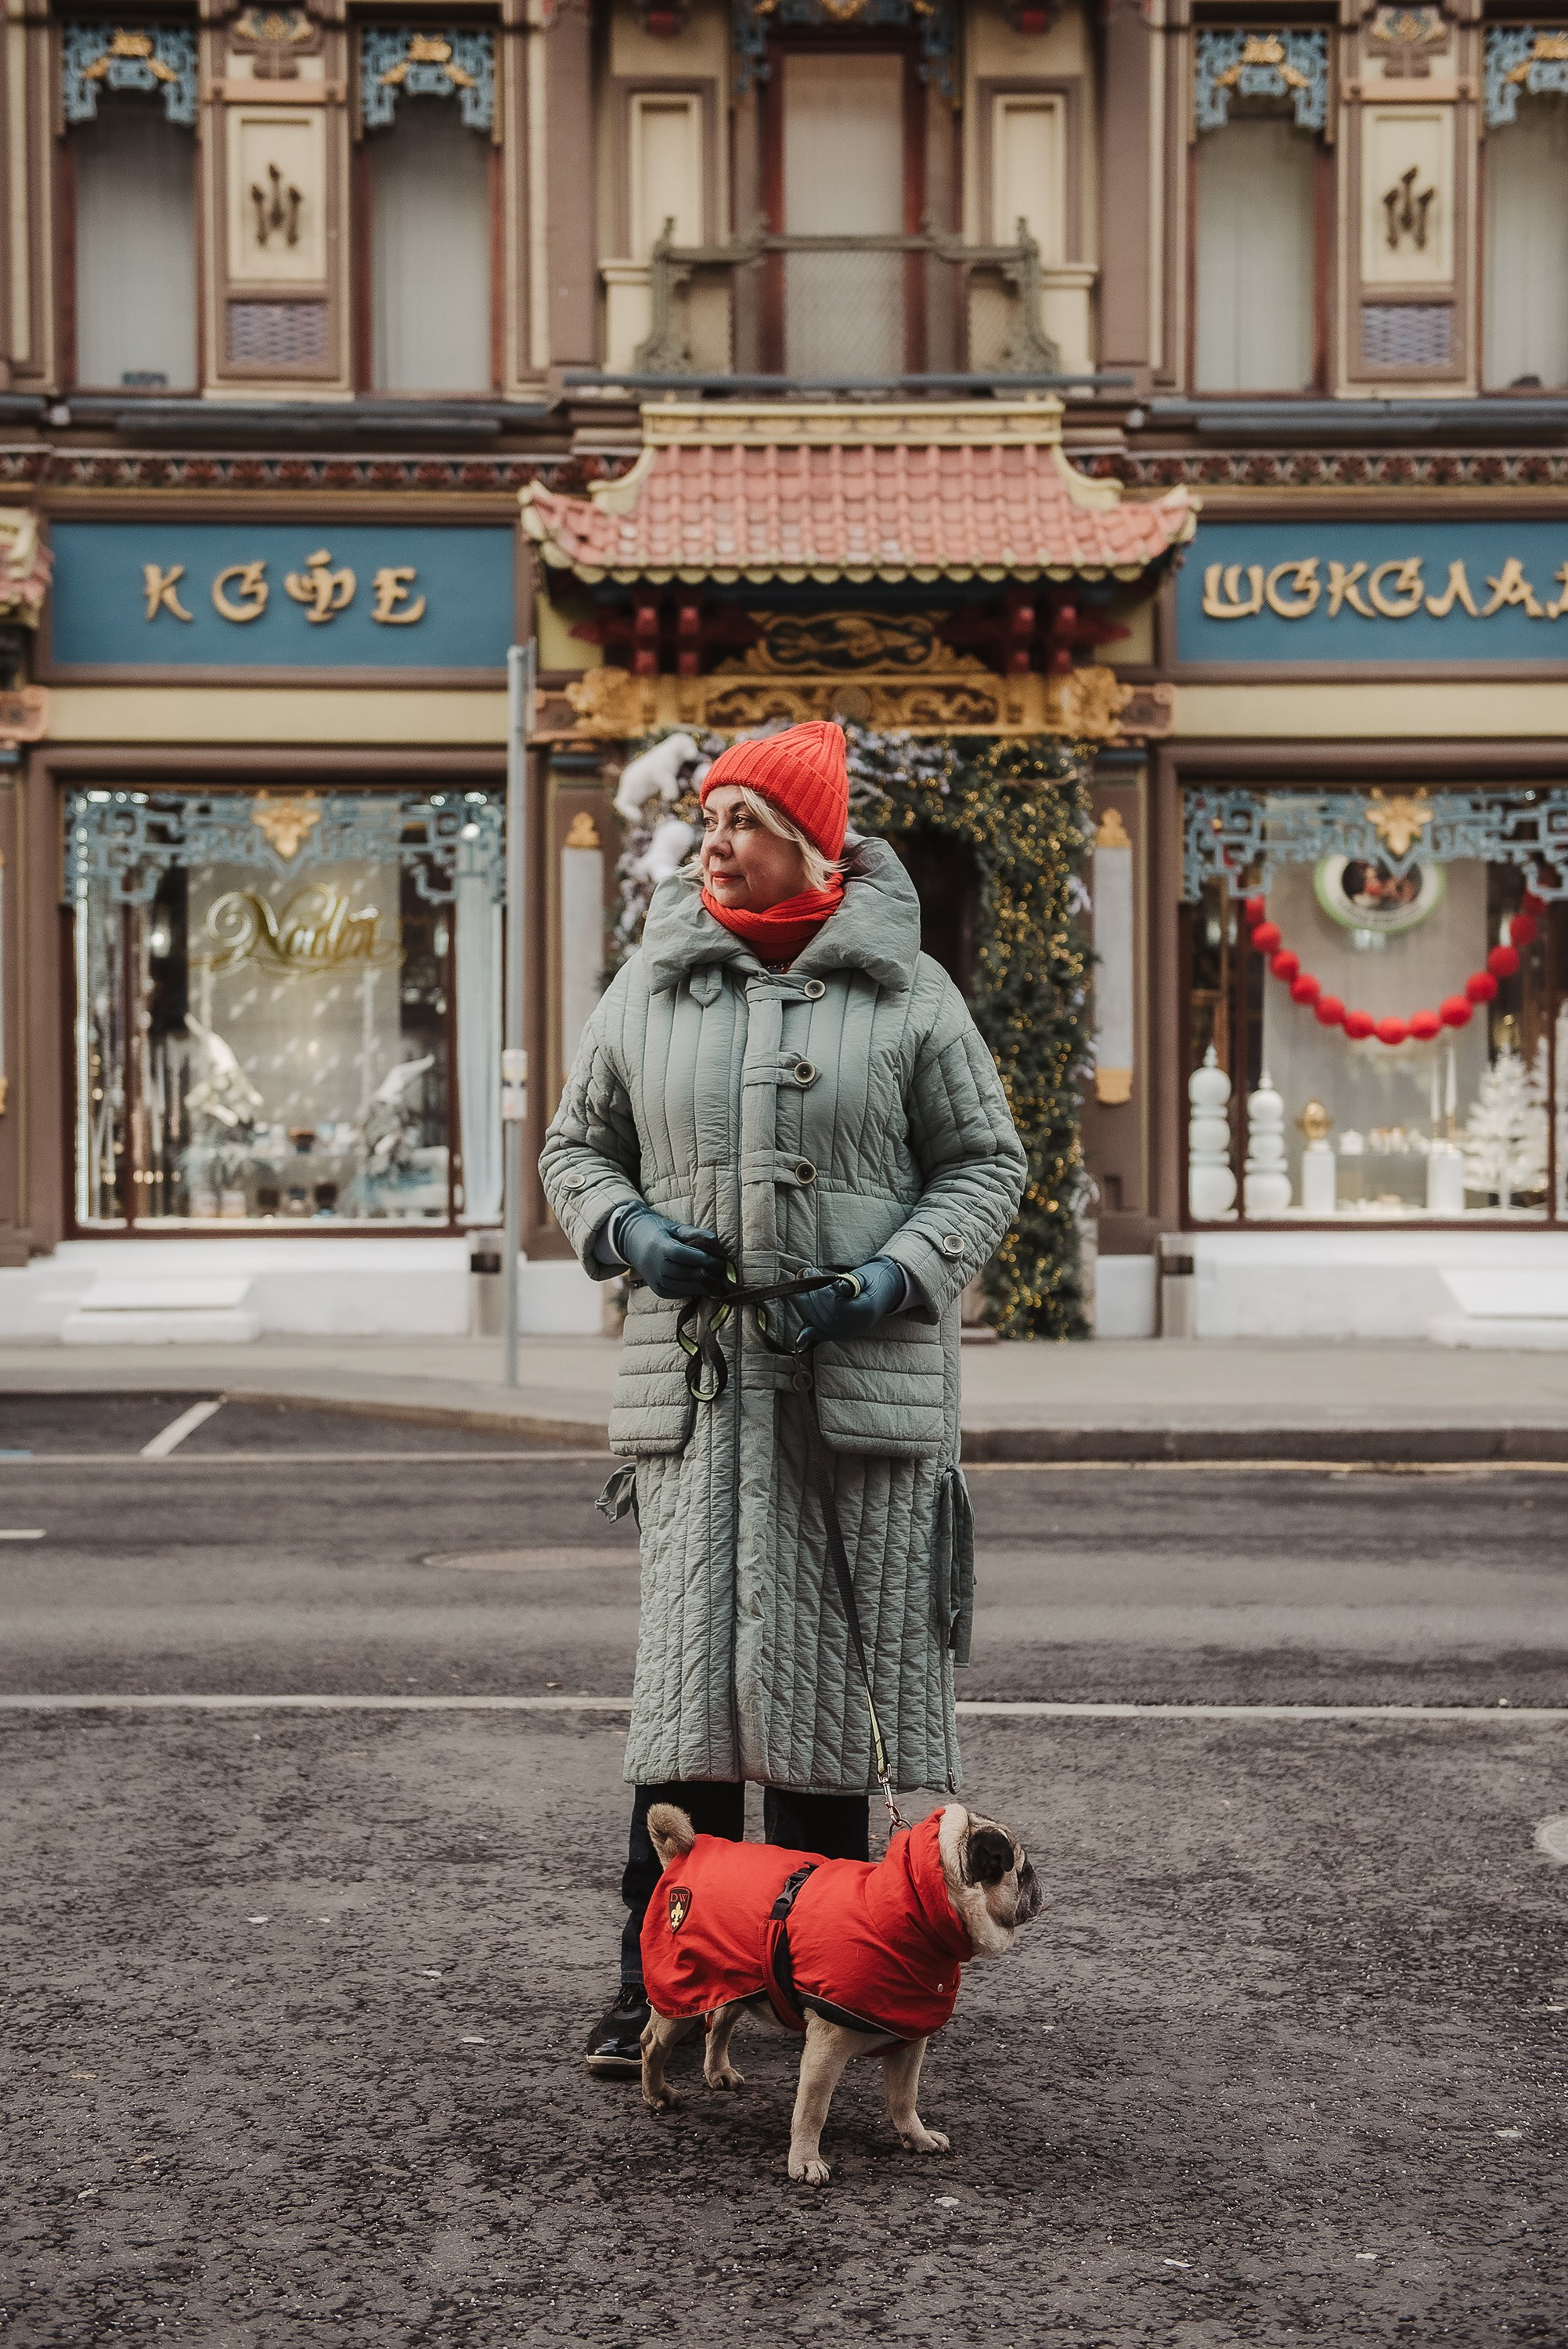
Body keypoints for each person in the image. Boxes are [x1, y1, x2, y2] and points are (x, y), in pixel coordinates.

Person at [539, 720, 1026, 2076]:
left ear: (813, 845)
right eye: (708, 817)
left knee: (819, 1717)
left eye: (744, 818)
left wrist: (889, 1280)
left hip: (848, 1396)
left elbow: (986, 1165)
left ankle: (819, 1981)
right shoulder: (648, 984)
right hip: (702, 1397)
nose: (715, 840)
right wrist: (630, 1231)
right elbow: (576, 1148)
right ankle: (656, 1980)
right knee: (685, 1714)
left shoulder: (913, 994)